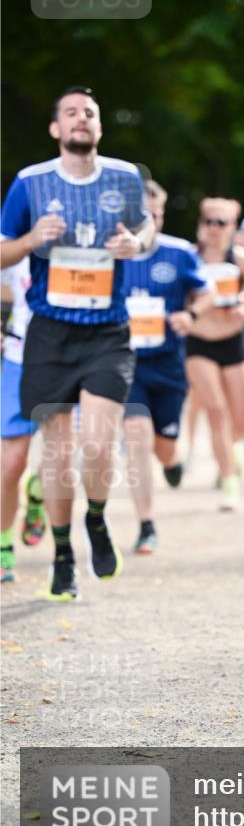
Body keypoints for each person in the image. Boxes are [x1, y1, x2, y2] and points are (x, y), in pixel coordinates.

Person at [0, 86, 154, 600]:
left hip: (107, 331)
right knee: (58, 456)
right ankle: (63, 552)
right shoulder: (31, 183)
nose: (81, 119)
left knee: (96, 444)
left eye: (89, 112)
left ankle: (96, 518)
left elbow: (146, 230)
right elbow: (3, 252)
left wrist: (137, 243)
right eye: (70, 113)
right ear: (55, 129)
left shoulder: (125, 176)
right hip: (49, 332)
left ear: (100, 126)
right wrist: (29, 242)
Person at [123, 180, 212, 552]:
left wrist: (189, 315)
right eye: (147, 214)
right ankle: (146, 524)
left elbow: (206, 294)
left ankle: (173, 461)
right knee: (136, 440)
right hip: (126, 364)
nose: (154, 220)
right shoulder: (113, 256)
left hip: (168, 364)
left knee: (162, 447)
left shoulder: (179, 254)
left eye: (159, 214)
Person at [185, 197, 244, 509]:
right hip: (198, 342)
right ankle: (229, 482)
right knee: (215, 411)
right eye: (208, 220)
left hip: (234, 342)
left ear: (232, 227)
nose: (213, 228)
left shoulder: (243, 259)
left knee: (241, 419)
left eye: (220, 222)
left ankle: (234, 449)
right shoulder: (189, 257)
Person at [0, 257, 45, 582]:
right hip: (19, 359)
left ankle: (38, 493)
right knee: (12, 462)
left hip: (73, 358)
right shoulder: (15, 238)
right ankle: (3, 545)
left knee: (63, 458)